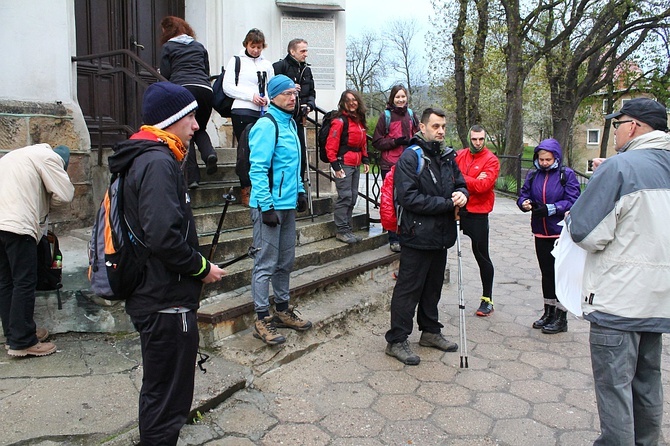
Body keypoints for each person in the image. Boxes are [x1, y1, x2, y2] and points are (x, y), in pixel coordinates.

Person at [108, 81, 226, 445]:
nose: (196, 125)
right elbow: (165, 237)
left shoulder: (148, 157)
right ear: (171, 120)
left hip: (157, 295)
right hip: (165, 300)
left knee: (161, 391)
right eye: (190, 117)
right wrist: (203, 268)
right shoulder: (157, 161)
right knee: (168, 399)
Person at [567, 98, 670, 445]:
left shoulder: (620, 168)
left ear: (635, 126)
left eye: (617, 123)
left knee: (615, 391)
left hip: (618, 302)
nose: (613, 131)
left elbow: (585, 231)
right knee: (647, 384)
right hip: (659, 300)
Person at [384, 108, 469, 366]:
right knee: (408, 290)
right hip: (416, 234)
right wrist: (446, 204)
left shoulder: (446, 155)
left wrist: (462, 194)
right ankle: (396, 339)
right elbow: (408, 198)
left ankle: (430, 331)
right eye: (435, 126)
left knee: (433, 287)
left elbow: (460, 183)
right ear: (422, 127)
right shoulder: (411, 157)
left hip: (441, 235)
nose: (441, 131)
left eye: (443, 126)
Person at [248, 75, 312, 345]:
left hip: (286, 205)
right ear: (272, 96)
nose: (292, 98)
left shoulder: (290, 125)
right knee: (265, 263)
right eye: (286, 94)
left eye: (294, 94)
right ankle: (261, 318)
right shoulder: (267, 125)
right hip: (270, 207)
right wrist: (265, 206)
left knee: (285, 261)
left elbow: (293, 166)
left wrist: (299, 191)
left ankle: (282, 310)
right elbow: (258, 169)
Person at [0, 144, 74, 357]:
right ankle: (22, 342)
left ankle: (15, 333)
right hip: (17, 225)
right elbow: (65, 194)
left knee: (6, 282)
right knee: (24, 281)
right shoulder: (50, 158)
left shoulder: (16, 156)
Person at [517, 138, 580, 334]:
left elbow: (573, 200)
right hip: (540, 231)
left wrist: (551, 209)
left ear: (556, 158)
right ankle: (548, 311)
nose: (544, 163)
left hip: (559, 232)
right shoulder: (534, 174)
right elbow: (523, 194)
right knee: (546, 273)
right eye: (541, 159)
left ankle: (561, 317)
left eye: (548, 159)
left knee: (560, 274)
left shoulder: (566, 175)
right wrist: (524, 204)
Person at [159, 16, 218, 189]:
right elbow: (206, 70)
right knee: (199, 127)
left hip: (183, 90)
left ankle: (192, 177)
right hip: (205, 90)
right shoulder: (199, 46)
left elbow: (166, 74)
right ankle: (209, 154)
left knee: (185, 132)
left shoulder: (168, 46)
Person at [223, 28, 274, 206]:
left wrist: (266, 99)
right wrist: (250, 96)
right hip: (242, 110)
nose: (256, 50)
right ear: (246, 44)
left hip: (263, 111)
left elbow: (271, 88)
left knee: (263, 150)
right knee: (246, 150)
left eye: (259, 47)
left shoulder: (266, 65)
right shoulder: (236, 61)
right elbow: (227, 87)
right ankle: (246, 188)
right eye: (253, 46)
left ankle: (263, 188)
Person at [455, 125, 500, 317]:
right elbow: (449, 178)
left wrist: (462, 178)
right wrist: (471, 178)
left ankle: (487, 299)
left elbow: (483, 186)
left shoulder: (491, 160)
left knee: (481, 255)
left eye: (481, 139)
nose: (478, 143)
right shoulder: (459, 155)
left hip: (478, 212)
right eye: (474, 139)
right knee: (439, 248)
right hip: (457, 208)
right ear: (469, 138)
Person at [372, 85, 420, 253]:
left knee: (409, 200)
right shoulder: (385, 116)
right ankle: (393, 238)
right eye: (397, 97)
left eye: (403, 96)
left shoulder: (411, 115)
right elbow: (376, 142)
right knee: (392, 202)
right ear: (392, 99)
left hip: (409, 164)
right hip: (390, 165)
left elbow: (419, 135)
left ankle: (408, 235)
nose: (400, 100)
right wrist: (394, 142)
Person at [325, 89, 370, 244]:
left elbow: (363, 142)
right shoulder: (339, 121)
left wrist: (365, 160)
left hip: (355, 164)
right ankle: (342, 230)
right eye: (348, 100)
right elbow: (330, 146)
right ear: (343, 103)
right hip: (344, 164)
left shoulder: (359, 120)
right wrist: (336, 167)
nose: (352, 103)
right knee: (345, 197)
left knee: (353, 197)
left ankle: (347, 229)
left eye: (354, 99)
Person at [272, 38, 316, 182]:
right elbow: (272, 89)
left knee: (300, 155)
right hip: (282, 119)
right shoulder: (279, 66)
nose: (306, 54)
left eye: (306, 50)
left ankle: (299, 188)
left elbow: (311, 93)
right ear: (292, 51)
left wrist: (309, 105)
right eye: (302, 51)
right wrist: (289, 87)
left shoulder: (306, 70)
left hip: (299, 118)